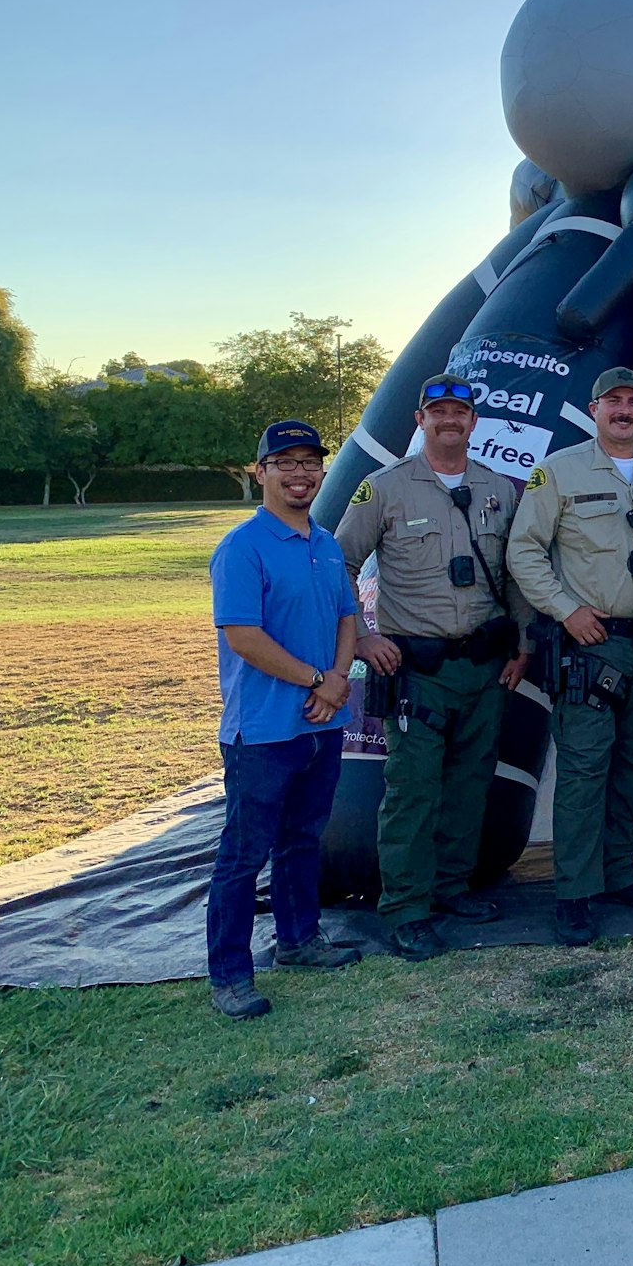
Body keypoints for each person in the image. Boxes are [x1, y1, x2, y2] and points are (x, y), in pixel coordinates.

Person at [506, 366, 633, 945]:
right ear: (594, 410)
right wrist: (565, 609)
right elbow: (524, 552)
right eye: (613, 401)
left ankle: (621, 873)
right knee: (583, 770)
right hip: (591, 649)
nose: (624, 410)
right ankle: (575, 893)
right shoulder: (559, 472)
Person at [333, 374, 533, 962]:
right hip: (417, 669)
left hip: (486, 666)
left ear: (475, 423)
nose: (450, 420)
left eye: (460, 412)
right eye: (438, 411)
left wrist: (522, 647)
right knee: (413, 792)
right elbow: (339, 564)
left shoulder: (499, 488)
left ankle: (450, 888)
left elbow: (517, 573)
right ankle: (406, 908)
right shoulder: (385, 489)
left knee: (471, 786)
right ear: (420, 420)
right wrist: (365, 638)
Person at [205, 420, 364, 1018]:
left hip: (322, 724)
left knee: (303, 840)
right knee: (244, 854)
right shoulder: (242, 549)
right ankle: (229, 975)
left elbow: (348, 618)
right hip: (265, 732)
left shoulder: (325, 542)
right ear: (261, 472)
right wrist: (317, 680)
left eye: (310, 462)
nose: (300, 472)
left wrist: (339, 680)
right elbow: (244, 635)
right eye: (285, 462)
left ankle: (299, 941)